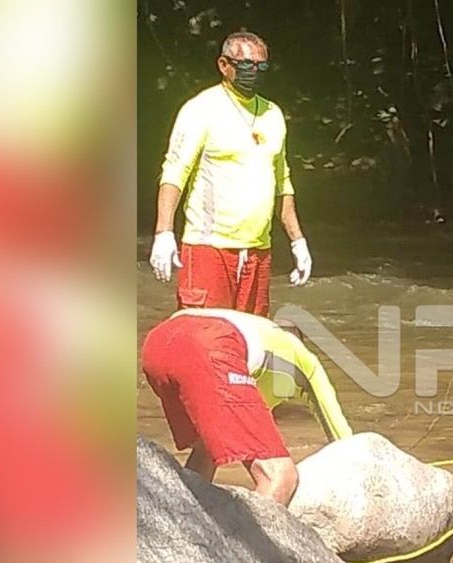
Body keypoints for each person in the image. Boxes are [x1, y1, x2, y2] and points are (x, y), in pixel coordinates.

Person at [149, 30, 313, 316]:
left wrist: (298, 242)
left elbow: (282, 183)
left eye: (261, 67)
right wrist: (164, 232)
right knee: (206, 337)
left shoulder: (272, 115)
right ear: (224, 65)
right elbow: (175, 173)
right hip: (208, 247)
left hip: (257, 251)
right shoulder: (201, 110)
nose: (254, 72)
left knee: (249, 341)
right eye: (246, 66)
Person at [140, 308, 352, 504]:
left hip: (157, 344)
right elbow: (345, 440)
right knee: (280, 475)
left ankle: (180, 525)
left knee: (206, 448)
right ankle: (242, 546)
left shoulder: (258, 328)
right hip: (209, 344)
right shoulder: (304, 360)